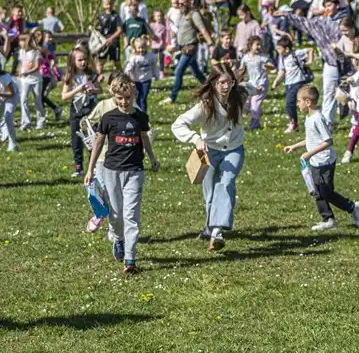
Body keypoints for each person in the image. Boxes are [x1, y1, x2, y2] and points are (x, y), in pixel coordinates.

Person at [171, 64, 257, 251]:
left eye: (230, 82)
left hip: (234, 149)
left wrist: (255, 86)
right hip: (209, 152)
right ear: (213, 83)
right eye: (222, 83)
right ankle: (210, 228)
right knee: (209, 192)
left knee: (225, 184)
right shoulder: (205, 105)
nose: (226, 87)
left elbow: (253, 87)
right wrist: (195, 139)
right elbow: (178, 124)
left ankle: (217, 231)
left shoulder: (239, 94)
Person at [83, 74, 159, 274]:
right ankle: (118, 239)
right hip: (112, 171)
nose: (124, 102)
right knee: (116, 215)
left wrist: (152, 158)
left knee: (131, 215)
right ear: (114, 96)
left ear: (134, 95)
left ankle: (130, 258)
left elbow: (144, 137)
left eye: (127, 98)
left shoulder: (140, 117)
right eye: (120, 98)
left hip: (135, 171)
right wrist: (90, 169)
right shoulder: (108, 118)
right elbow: (98, 143)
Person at [283, 85, 359, 231]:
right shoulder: (308, 118)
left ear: (308, 102)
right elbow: (311, 139)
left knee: (326, 192)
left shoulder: (318, 119)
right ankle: (328, 219)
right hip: (315, 162)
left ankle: (353, 207)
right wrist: (295, 146)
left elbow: (328, 141)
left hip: (325, 162)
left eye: (299, 101)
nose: (297, 104)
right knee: (316, 191)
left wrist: (309, 153)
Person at [163, 0, 213, 105]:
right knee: (196, 72)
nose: (180, 5)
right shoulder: (183, 14)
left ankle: (172, 97)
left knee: (178, 71)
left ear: (189, 2)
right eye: (178, 3)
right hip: (182, 48)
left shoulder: (194, 14)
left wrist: (210, 44)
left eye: (182, 3)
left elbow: (203, 29)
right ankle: (211, 88)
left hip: (190, 48)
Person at [62, 47, 100, 177]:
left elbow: (99, 90)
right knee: (76, 139)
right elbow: (64, 96)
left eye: (84, 59)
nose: (83, 62)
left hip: (90, 109)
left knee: (92, 137)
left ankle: (93, 166)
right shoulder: (70, 76)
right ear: (73, 61)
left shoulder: (91, 75)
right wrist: (78, 89)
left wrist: (92, 90)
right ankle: (79, 167)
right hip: (76, 110)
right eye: (79, 60)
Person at [270, 36, 312, 133]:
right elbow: (282, 71)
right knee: (291, 105)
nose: (277, 50)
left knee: (290, 104)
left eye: (279, 48)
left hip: (298, 82)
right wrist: (276, 81)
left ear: (287, 49)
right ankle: (295, 123)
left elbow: (310, 50)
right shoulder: (281, 58)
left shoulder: (296, 53)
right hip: (288, 84)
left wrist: (310, 62)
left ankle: (294, 124)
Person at [238, 35, 271, 130]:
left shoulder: (262, 57)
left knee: (255, 102)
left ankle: (255, 123)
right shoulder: (245, 58)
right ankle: (252, 112)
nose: (259, 47)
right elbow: (241, 69)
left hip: (261, 83)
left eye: (260, 45)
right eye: (257, 45)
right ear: (250, 45)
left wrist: (268, 66)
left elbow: (271, 65)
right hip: (251, 83)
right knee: (246, 102)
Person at [123, 37, 158, 113]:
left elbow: (154, 67)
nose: (141, 50)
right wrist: (126, 76)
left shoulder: (150, 56)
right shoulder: (134, 58)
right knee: (138, 98)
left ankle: (143, 113)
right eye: (139, 48)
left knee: (143, 97)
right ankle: (138, 112)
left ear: (146, 47)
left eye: (143, 48)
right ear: (135, 48)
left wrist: (156, 75)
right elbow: (128, 69)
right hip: (136, 81)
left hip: (146, 80)